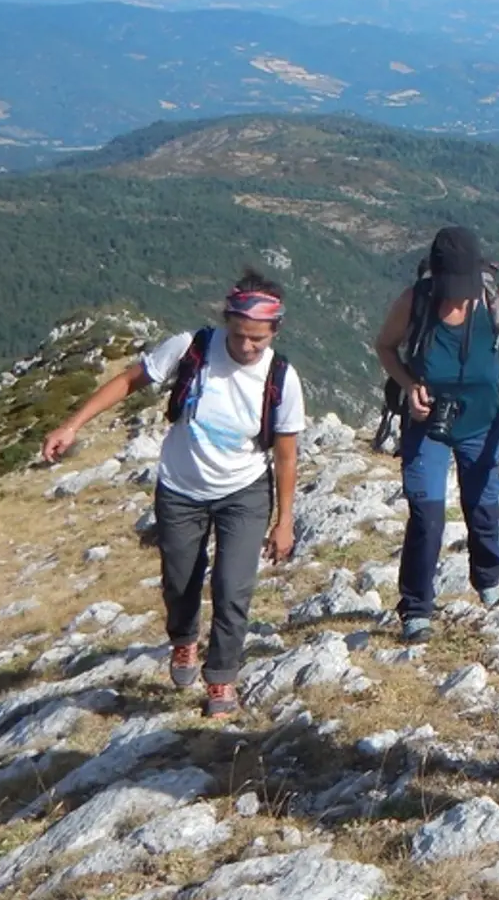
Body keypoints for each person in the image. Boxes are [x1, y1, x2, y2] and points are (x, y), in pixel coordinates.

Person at [43, 269, 307, 719]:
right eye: (240, 335)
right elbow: (128, 380)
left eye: (258, 340)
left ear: (275, 332)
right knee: (180, 580)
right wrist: (72, 424)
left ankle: (221, 679)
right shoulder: (192, 349)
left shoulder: (282, 378)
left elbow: (285, 456)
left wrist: (284, 522)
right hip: (180, 489)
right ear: (227, 322)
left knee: (233, 587)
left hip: (244, 492)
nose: (247, 347)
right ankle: (184, 641)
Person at [374, 225, 499, 643]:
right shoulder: (416, 302)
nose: (458, 296)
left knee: (482, 509)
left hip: (485, 423)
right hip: (429, 424)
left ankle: (488, 581)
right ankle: (416, 608)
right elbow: (385, 347)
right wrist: (409, 385)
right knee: (426, 515)